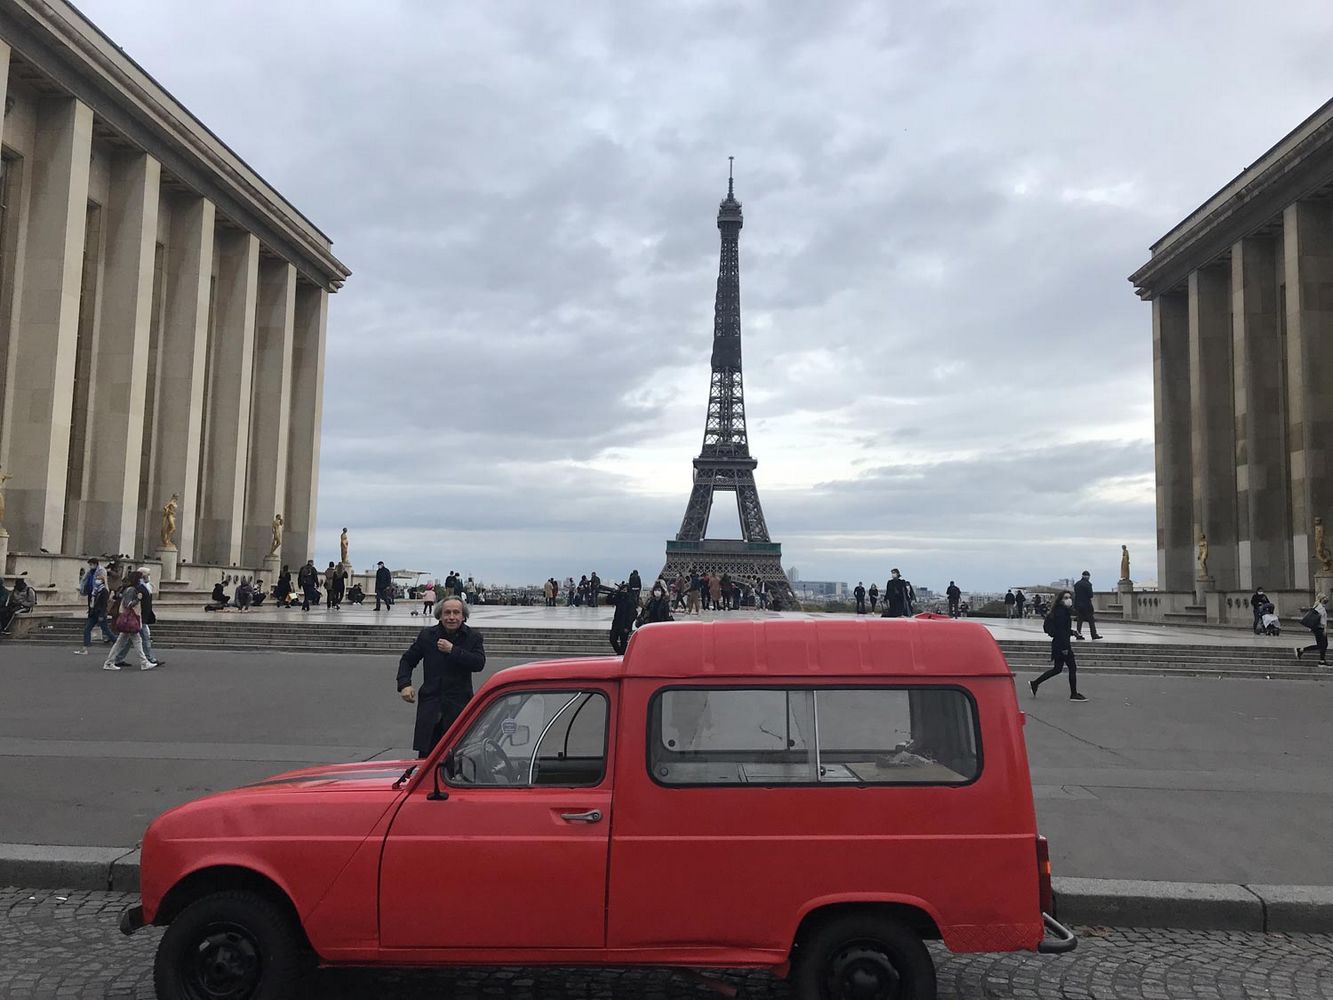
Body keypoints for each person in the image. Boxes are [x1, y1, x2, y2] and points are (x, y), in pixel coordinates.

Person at [396, 597, 487, 758]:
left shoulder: (473, 637)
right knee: (426, 760)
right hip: (431, 707)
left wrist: (453, 650)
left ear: (463, 616)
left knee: (456, 759)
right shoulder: (427, 636)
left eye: (456, 613)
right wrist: (405, 684)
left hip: (458, 707)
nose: (451, 617)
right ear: (439, 615)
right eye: (447, 613)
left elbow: (478, 663)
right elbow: (407, 660)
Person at [1030, 589, 1086, 701]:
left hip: (1058, 644)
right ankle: (1073, 694)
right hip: (1062, 645)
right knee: (1072, 667)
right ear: (1060, 600)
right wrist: (1065, 648)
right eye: (1066, 597)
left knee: (1057, 669)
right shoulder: (1061, 612)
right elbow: (1061, 631)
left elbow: (1062, 629)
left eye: (1069, 597)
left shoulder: (1060, 611)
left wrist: (1072, 632)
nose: (1068, 600)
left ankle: (1035, 683)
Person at [102, 571, 157, 671]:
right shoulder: (131, 590)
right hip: (130, 619)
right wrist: (138, 599)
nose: (142, 580)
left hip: (129, 619)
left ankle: (110, 662)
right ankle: (143, 662)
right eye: (140, 578)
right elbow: (128, 604)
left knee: (123, 642)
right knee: (135, 640)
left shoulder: (131, 589)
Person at [1295, 593, 1329, 667]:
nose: (1327, 598)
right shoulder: (1320, 608)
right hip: (1319, 628)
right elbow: (1321, 620)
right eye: (1325, 597)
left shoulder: (1318, 606)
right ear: (1321, 599)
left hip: (1318, 628)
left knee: (1322, 645)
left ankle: (1302, 650)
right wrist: (1324, 629)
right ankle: (1321, 661)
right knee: (1322, 645)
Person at [136, 567, 162, 665]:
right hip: (139, 617)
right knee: (146, 638)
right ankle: (150, 658)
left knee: (127, 641)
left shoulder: (147, 586)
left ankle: (117, 658)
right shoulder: (139, 587)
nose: (149, 576)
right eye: (147, 574)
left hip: (143, 617)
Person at [607, 583, 637, 654]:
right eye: (623, 589)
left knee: (623, 642)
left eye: (625, 590)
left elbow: (632, 614)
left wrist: (628, 626)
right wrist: (612, 593)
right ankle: (620, 653)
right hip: (616, 623)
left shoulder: (630, 600)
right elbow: (609, 601)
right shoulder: (619, 598)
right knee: (612, 639)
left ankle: (622, 654)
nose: (624, 591)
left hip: (625, 625)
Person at [1073, 570, 1102, 640]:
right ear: (1088, 577)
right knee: (1091, 620)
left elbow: (1076, 595)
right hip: (1087, 605)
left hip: (1078, 605)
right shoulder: (1088, 584)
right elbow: (1090, 595)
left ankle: (1078, 634)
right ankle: (1094, 634)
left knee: (1079, 620)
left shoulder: (1077, 584)